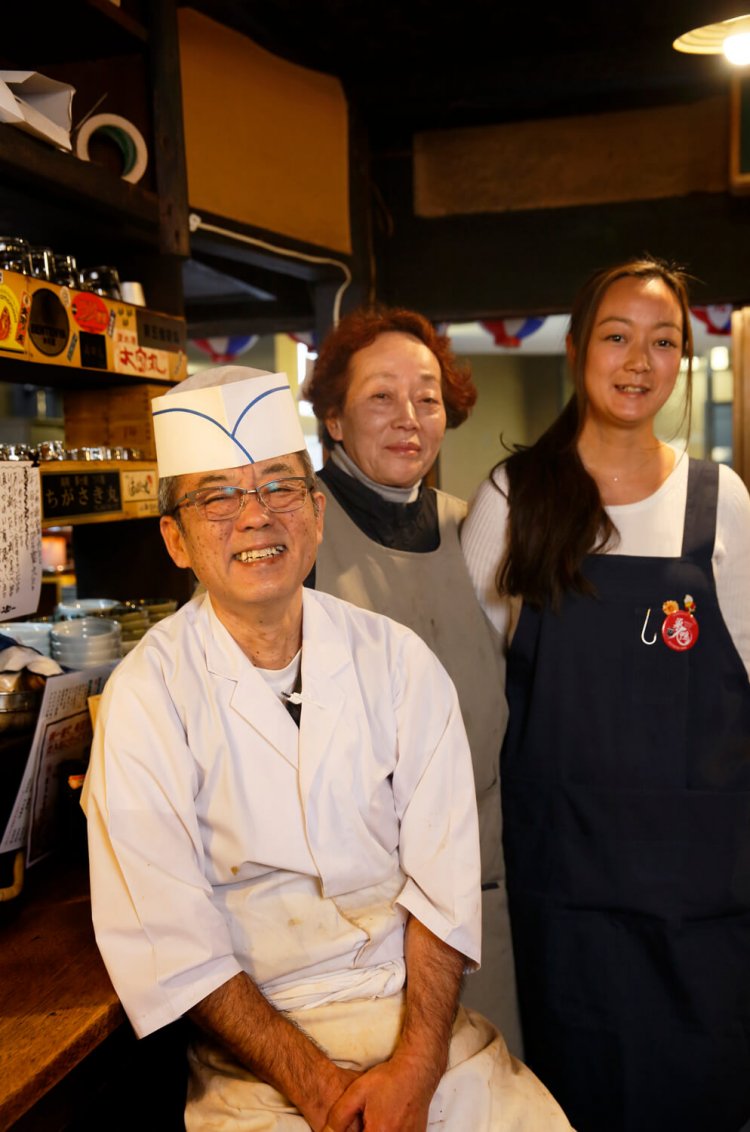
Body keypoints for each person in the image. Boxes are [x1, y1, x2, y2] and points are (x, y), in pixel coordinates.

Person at [82, 365, 573, 1132]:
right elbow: (175, 947)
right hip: (259, 1063)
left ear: (315, 513)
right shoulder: (146, 698)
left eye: (280, 487)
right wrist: (321, 1093)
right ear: (176, 539)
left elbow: (443, 892)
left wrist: (414, 1069)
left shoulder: (400, 663)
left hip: (422, 1031)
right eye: (217, 497)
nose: (256, 517)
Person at [461, 256, 750, 1132]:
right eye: (617, 337)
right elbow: (473, 687)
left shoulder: (720, 501)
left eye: (662, 342)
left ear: (682, 361)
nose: (638, 361)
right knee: (571, 1096)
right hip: (566, 883)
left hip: (701, 887)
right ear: (578, 349)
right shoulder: (517, 497)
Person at [302, 307, 521, 1052]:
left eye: (427, 398)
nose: (409, 417)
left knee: (490, 1088)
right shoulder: (296, 537)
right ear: (334, 418)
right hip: (349, 916)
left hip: (480, 890)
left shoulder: (480, 530)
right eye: (380, 397)